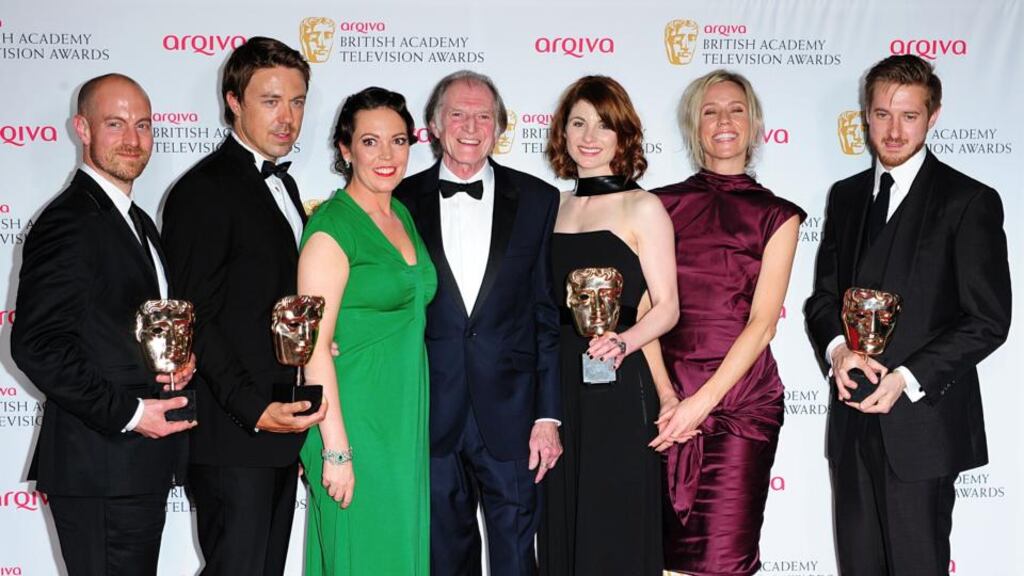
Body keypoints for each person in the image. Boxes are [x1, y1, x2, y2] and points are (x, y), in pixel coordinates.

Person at [804, 55, 1011, 576]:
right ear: (865, 116)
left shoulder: (969, 201)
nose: (893, 131)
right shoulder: (847, 196)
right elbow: (823, 299)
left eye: (909, 116)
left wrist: (906, 378)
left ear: (933, 116)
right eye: (881, 114)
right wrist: (838, 351)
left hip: (922, 429)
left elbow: (988, 319)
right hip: (851, 423)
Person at [11, 73, 196, 575]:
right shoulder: (69, 221)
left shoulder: (136, 221)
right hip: (101, 468)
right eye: (115, 124)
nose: (133, 140)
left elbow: (119, 330)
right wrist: (133, 414)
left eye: (143, 125)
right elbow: (37, 345)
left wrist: (178, 356)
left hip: (133, 468)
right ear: (82, 129)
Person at [161, 37, 326, 575]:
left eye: (298, 101)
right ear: (234, 101)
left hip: (280, 433)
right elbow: (194, 318)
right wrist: (253, 410)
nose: (288, 117)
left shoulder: (285, 183)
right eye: (271, 100)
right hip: (234, 436)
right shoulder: (203, 191)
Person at [394, 70, 562, 576]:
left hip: (513, 418)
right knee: (444, 560)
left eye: (483, 115)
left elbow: (545, 314)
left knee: (516, 560)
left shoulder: (537, 199)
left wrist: (548, 416)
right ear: (434, 126)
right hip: (428, 414)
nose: (471, 126)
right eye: (458, 114)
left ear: (499, 127)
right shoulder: (396, 201)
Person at [651, 70, 804, 576]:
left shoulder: (778, 216)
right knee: (655, 556)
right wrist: (669, 398)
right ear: (694, 125)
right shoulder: (658, 207)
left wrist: (701, 403)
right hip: (660, 401)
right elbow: (642, 312)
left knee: (722, 560)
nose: (723, 120)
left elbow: (762, 325)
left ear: (754, 123)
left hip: (739, 406)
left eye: (736, 109)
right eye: (710, 110)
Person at [537, 75, 678, 576]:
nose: (589, 136)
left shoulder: (644, 206)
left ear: (623, 136)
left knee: (612, 522)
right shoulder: (551, 207)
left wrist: (623, 341)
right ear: (562, 132)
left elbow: (665, 307)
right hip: (559, 393)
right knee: (562, 520)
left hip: (617, 387)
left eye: (602, 124)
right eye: (578, 122)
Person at [297, 87, 435, 575]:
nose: (387, 155)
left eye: (398, 141)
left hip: (402, 422)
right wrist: (336, 448)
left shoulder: (399, 213)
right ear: (344, 148)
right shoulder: (332, 229)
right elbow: (312, 348)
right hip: (353, 421)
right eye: (370, 141)